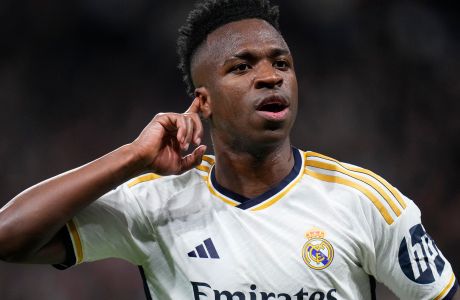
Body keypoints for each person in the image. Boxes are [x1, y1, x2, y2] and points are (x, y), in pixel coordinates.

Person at [0, 0, 458, 299]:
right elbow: (9, 237)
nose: (270, 76)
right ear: (203, 101)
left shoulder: (363, 199)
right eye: (242, 67)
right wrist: (131, 158)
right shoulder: (155, 201)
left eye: (282, 63)